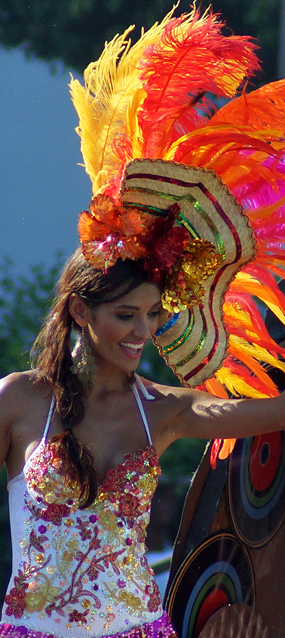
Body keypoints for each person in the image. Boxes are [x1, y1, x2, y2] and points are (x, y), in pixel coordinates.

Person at [1, 5, 285, 638]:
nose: (141, 332)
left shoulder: (165, 410)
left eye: (154, 316)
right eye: (125, 315)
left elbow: (276, 414)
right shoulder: (19, 401)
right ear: (80, 310)